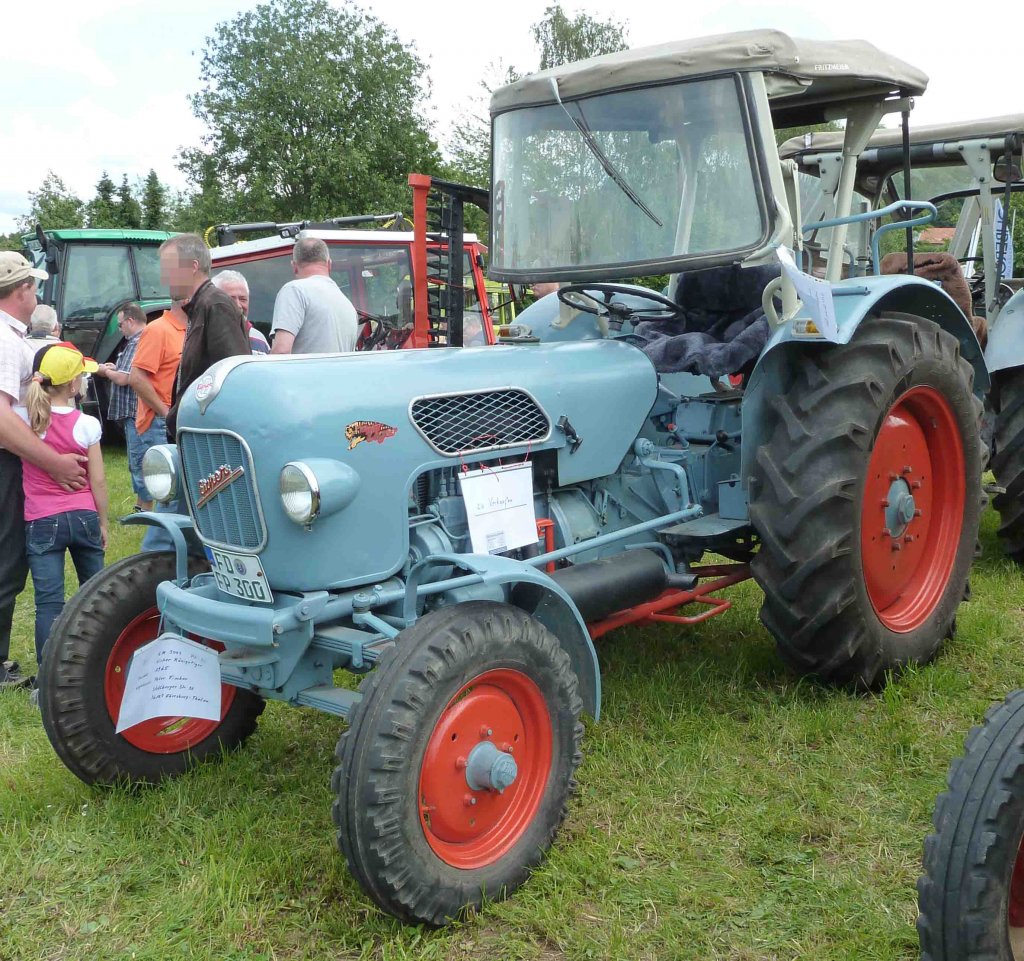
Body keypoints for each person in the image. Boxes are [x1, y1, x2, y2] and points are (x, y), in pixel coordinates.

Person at [0, 253, 87, 688]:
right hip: (3, 464)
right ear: (21, 291)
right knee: (5, 561)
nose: (36, 293)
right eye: (33, 287)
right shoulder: (3, 338)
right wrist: (51, 461)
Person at [16, 343, 107, 670]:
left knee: (49, 604)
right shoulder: (86, 424)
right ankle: (98, 665)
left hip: (41, 521)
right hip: (84, 516)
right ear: (72, 385)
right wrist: (104, 522)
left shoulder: (25, 420)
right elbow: (97, 481)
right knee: (97, 597)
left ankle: (47, 677)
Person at [161, 233, 250, 437]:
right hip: (198, 430)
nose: (165, 278)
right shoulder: (201, 306)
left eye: (169, 268)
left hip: (213, 433)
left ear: (193, 267)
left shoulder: (215, 305)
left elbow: (233, 376)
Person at [129, 301, 185, 551]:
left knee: (182, 497)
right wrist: (166, 413)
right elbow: (137, 378)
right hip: (162, 424)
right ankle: (151, 562)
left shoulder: (193, 331)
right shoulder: (158, 330)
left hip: (182, 423)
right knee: (170, 498)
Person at [95, 303, 150, 510]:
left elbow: (125, 379)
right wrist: (115, 368)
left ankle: (145, 507)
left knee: (139, 461)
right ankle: (141, 505)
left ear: (130, 321)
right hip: (134, 414)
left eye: (120, 325)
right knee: (136, 460)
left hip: (136, 413)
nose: (119, 330)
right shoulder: (136, 341)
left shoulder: (138, 342)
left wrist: (105, 371)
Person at [270, 237, 357, 354]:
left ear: (294, 266)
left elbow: (281, 351)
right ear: (329, 264)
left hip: (305, 372)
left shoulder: (294, 291)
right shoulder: (348, 305)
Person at [212, 269, 270, 354]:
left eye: (243, 299)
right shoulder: (200, 337)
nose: (238, 305)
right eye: (231, 299)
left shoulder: (259, 340)